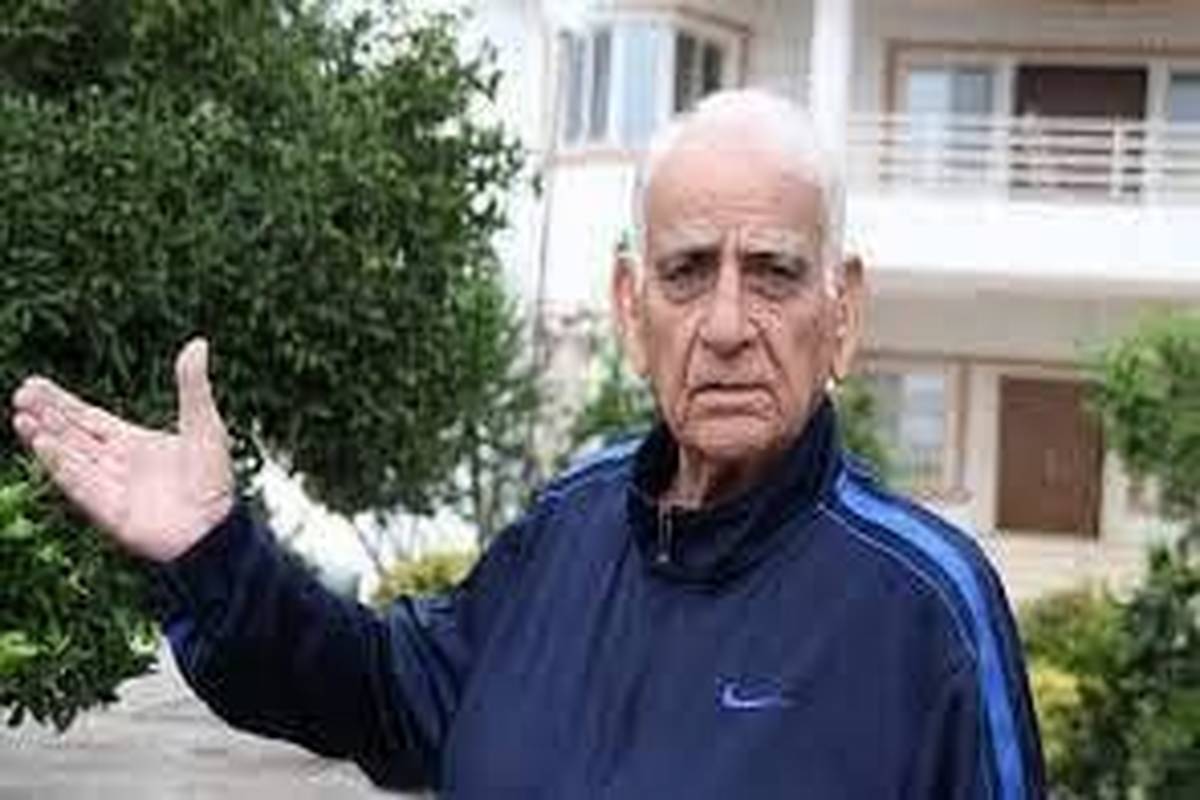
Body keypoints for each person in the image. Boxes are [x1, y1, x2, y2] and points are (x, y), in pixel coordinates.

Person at [10, 90, 1045, 798]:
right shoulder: (570, 522)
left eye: (773, 271)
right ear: (632, 308)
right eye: (688, 271)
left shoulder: (929, 608)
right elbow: (387, 693)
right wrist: (216, 554)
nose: (728, 323)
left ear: (842, 312)